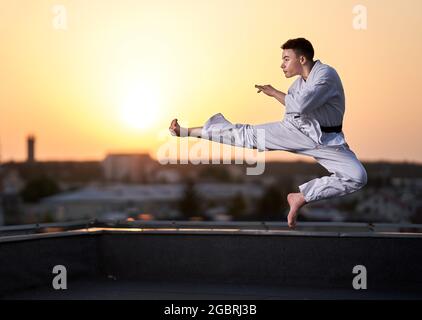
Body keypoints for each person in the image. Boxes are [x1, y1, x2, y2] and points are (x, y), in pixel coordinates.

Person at [169, 38, 367, 229]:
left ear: (302, 59)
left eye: (286, 59)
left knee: (357, 177)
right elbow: (296, 109)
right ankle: (187, 131)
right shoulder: (298, 84)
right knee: (245, 136)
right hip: (296, 130)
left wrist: (274, 93)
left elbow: (300, 104)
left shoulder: (326, 75)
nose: (282, 65)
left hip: (328, 141)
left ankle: (302, 196)